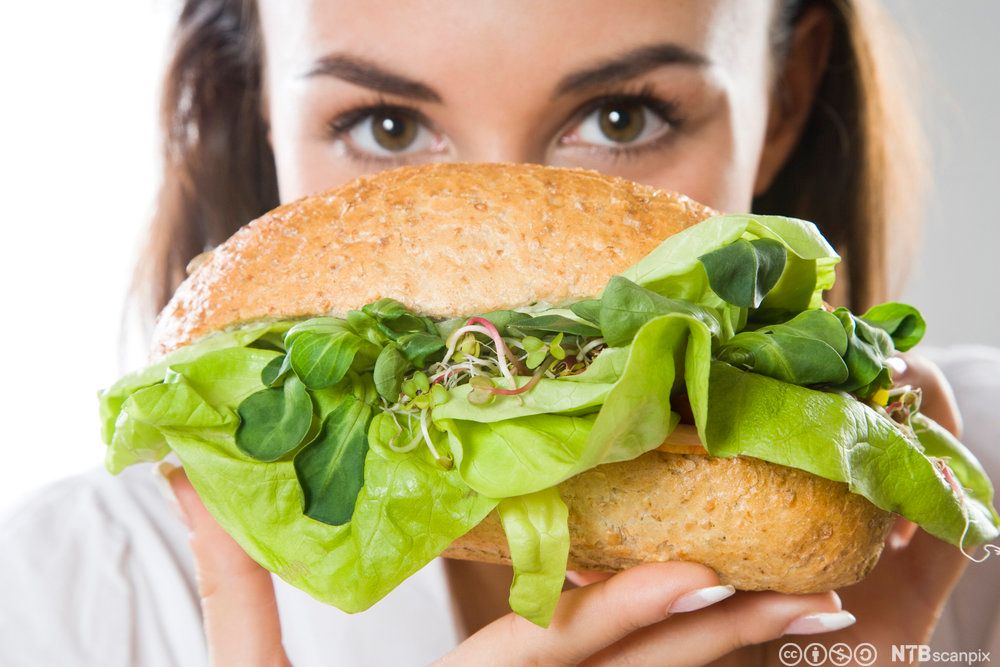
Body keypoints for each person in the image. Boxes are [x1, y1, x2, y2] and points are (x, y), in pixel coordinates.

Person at [1, 1, 998, 665]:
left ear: (781, 103)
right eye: (385, 126)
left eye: (619, 117)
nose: (498, 224)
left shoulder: (975, 477)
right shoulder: (68, 595)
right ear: (257, 109)